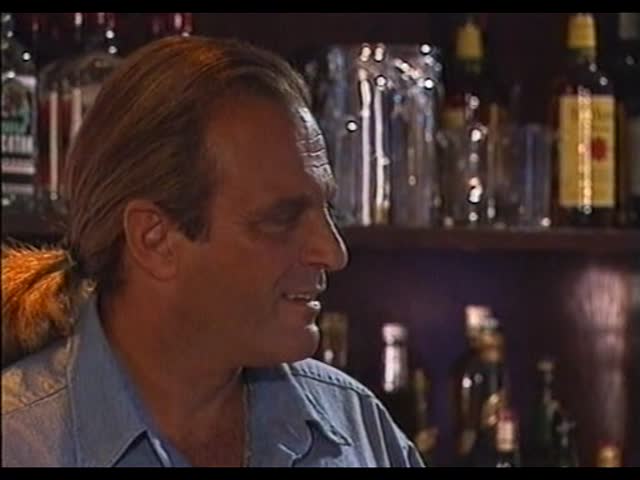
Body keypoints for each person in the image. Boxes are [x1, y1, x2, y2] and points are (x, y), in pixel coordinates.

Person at [1, 35, 425, 467]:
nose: (333, 253)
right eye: (281, 218)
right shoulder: (19, 444)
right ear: (154, 239)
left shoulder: (359, 430)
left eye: (327, 209)